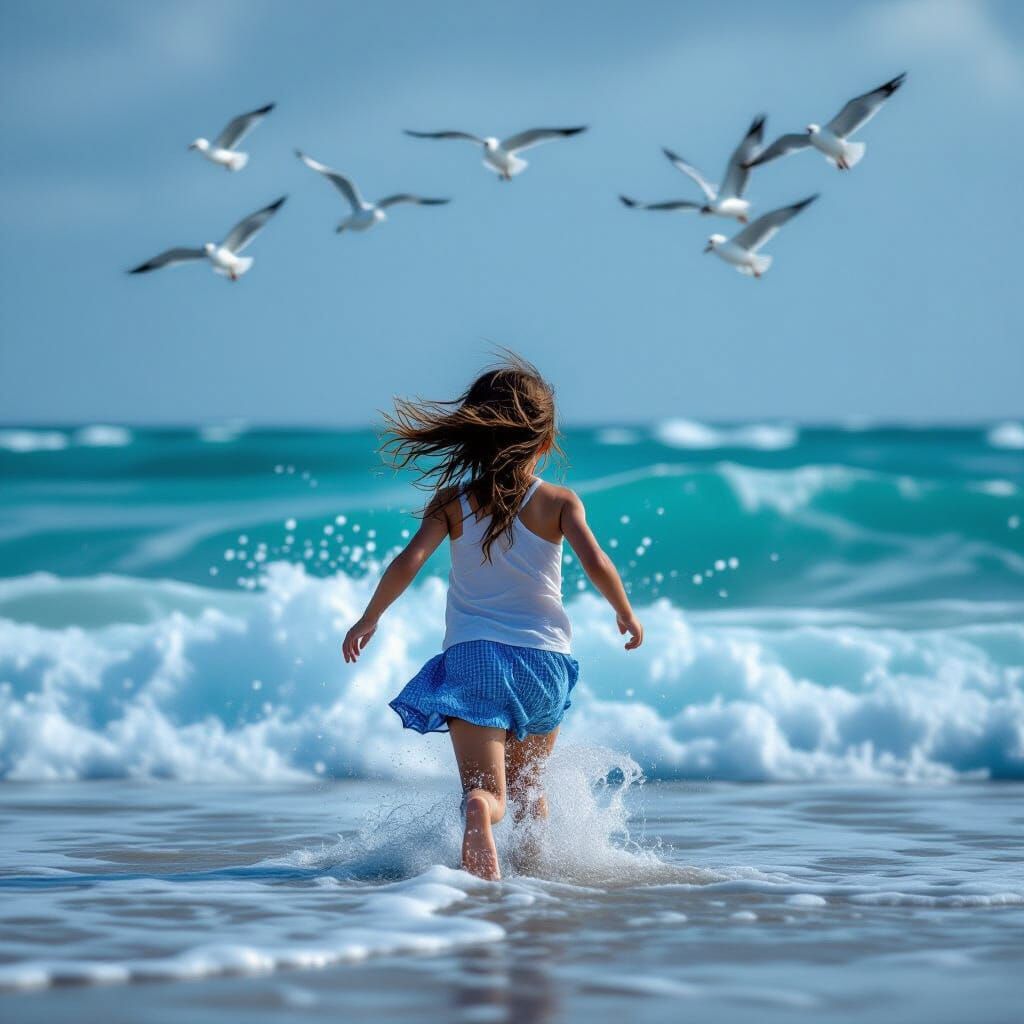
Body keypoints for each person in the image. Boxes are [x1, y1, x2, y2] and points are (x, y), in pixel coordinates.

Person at [343, 355, 642, 880]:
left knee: (487, 791)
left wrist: (370, 617)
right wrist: (624, 611)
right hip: (544, 664)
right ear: (544, 443)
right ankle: (534, 879)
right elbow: (596, 561)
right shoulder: (559, 501)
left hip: (475, 660)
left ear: (473, 436)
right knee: (530, 788)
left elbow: (409, 560)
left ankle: (480, 810)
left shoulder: (452, 501)